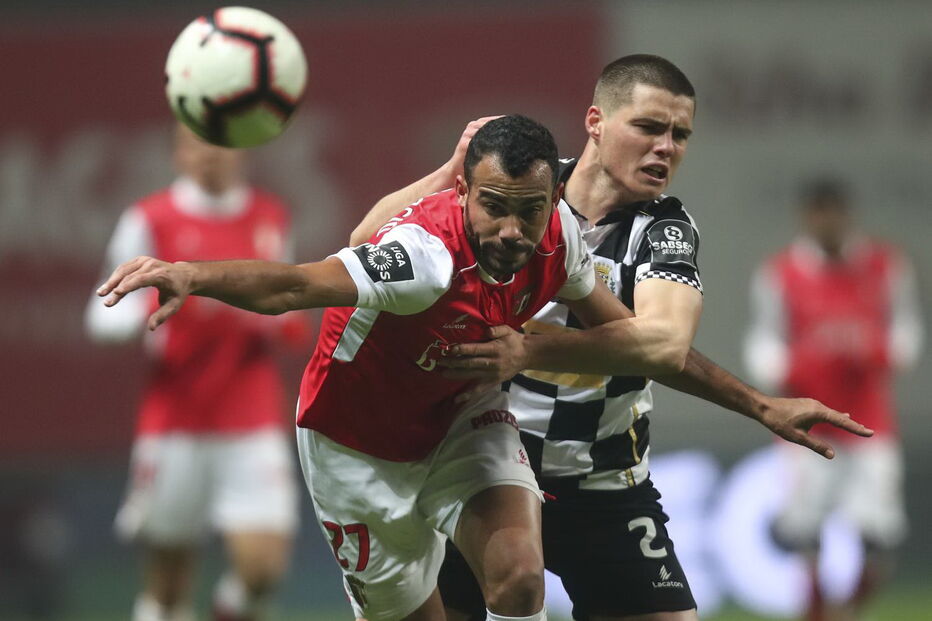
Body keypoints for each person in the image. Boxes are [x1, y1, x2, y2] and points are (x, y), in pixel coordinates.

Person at [351, 55, 872, 621]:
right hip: (483, 466)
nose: (666, 147)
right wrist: (451, 170)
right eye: (649, 127)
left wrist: (529, 348)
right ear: (596, 121)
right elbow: (367, 242)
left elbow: (663, 345)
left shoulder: (665, 230)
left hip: (600, 481)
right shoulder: (521, 191)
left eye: (680, 135)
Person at [85, 124, 310, 621]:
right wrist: (132, 314)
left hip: (249, 418)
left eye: (222, 146)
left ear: (241, 152)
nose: (211, 157)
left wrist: (266, 317)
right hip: (175, 421)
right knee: (169, 584)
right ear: (178, 152)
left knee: (262, 570)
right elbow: (102, 311)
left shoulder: (269, 217)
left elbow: (288, 308)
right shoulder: (149, 219)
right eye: (199, 145)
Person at [744, 178, 924, 621]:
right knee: (805, 531)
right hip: (808, 425)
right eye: (819, 212)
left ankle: (849, 609)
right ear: (807, 217)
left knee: (879, 535)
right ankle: (817, 607)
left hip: (870, 425)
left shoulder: (884, 265)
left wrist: (879, 352)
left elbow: (908, 333)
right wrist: (791, 367)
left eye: (835, 212)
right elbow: (764, 344)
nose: (828, 221)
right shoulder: (782, 272)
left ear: (847, 214)